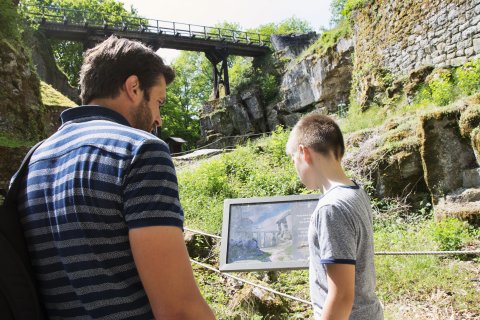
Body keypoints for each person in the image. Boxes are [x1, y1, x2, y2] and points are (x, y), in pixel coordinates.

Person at [16, 36, 215, 319]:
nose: (159, 119)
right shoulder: (140, 151)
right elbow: (178, 311)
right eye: (159, 102)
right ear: (133, 87)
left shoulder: (30, 163)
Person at [286, 114, 384, 320]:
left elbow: (341, 297)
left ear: (304, 153)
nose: (295, 168)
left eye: (293, 158)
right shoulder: (355, 190)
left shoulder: (331, 208)